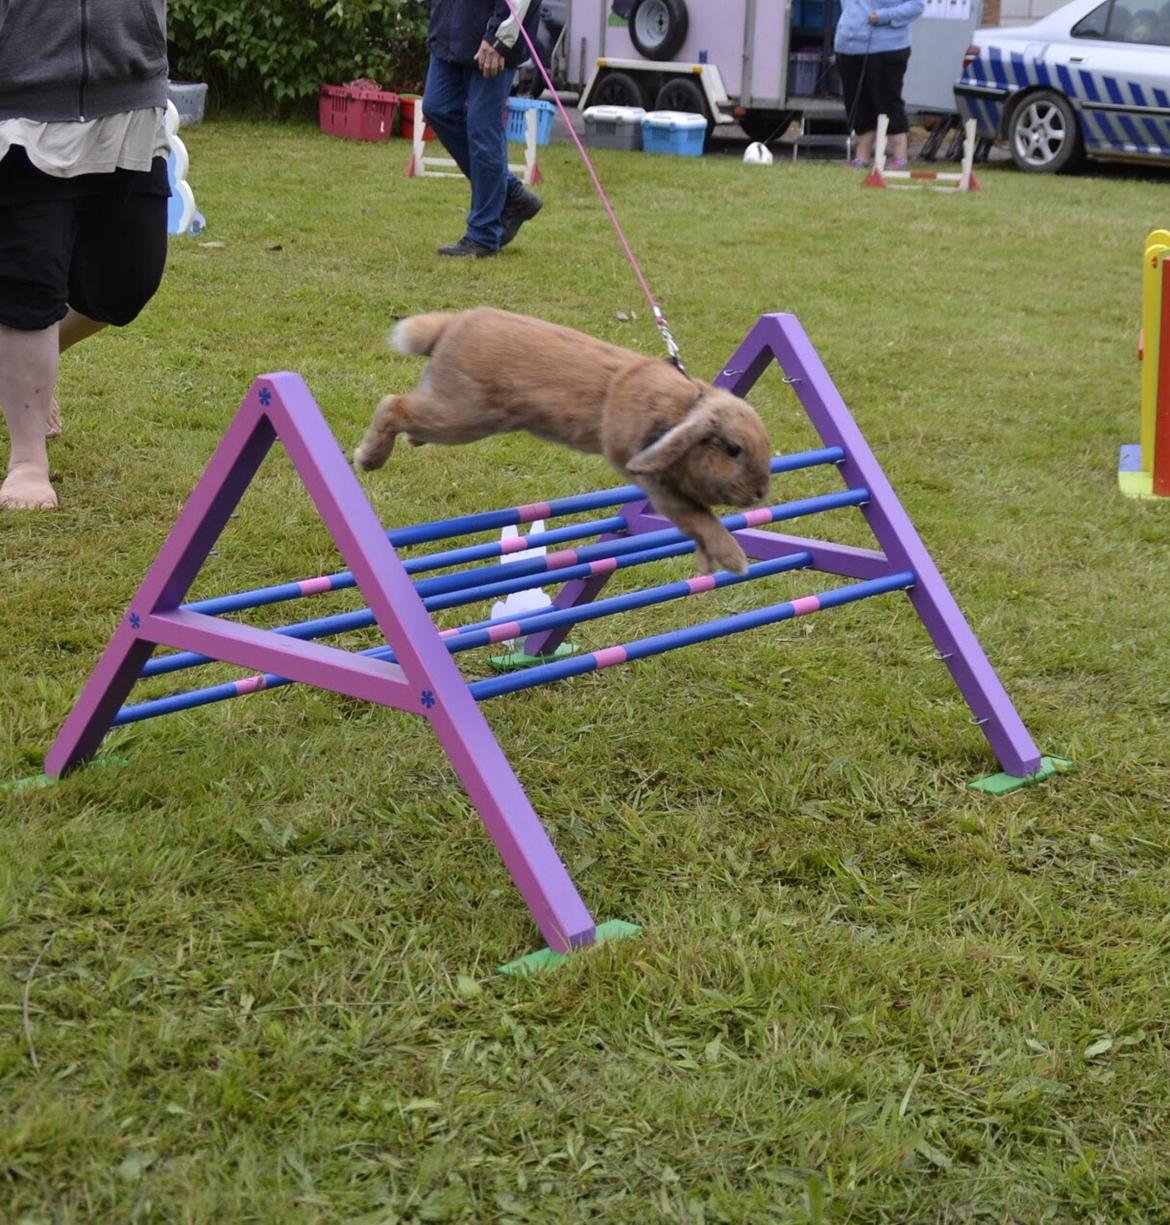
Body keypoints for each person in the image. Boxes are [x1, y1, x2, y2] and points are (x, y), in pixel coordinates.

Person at [0, 0, 171, 511]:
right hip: (21, 102)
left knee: (128, 280)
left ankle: (22, 372)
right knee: (29, 281)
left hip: (131, 94)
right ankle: (27, 461)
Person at [423, 0, 545, 258]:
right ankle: (510, 193)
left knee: (482, 127)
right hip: (449, 29)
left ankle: (483, 234)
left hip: (494, 37)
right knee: (437, 108)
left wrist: (499, 37)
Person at [833, 0, 925, 170]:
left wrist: (884, 16)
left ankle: (900, 156)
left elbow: (917, 6)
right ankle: (862, 157)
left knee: (887, 102)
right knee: (857, 103)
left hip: (887, 47)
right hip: (847, 46)